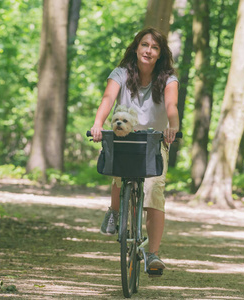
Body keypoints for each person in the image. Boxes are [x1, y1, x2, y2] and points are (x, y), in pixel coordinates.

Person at [90, 27, 179, 270]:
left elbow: (171, 105)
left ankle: (152, 254)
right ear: (136, 48)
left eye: (155, 47)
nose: (148, 50)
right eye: (144, 45)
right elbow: (108, 99)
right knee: (119, 173)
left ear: (160, 53)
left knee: (154, 190)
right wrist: (98, 124)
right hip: (125, 138)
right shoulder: (121, 73)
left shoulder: (169, 78)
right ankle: (115, 212)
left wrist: (174, 126)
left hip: (154, 142)